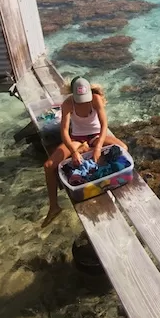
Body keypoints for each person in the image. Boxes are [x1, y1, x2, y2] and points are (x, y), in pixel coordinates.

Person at [41, 77, 128, 227]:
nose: (83, 101)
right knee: (49, 165)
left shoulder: (96, 99)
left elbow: (104, 125)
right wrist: (74, 152)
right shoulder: (68, 103)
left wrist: (99, 147)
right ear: (73, 94)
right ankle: (54, 207)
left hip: (95, 137)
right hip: (77, 139)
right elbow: (64, 132)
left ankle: (88, 152)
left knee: (123, 149)